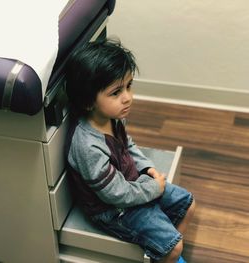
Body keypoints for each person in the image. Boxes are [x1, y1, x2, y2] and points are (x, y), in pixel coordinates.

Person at [64, 38, 195, 263]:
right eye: (116, 92)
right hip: (113, 210)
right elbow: (116, 194)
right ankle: (169, 250)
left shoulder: (113, 117)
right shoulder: (88, 146)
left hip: (132, 185)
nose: (128, 97)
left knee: (187, 204)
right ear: (88, 102)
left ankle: (164, 245)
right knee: (174, 246)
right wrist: (153, 189)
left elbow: (129, 145)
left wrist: (148, 168)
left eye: (129, 86)